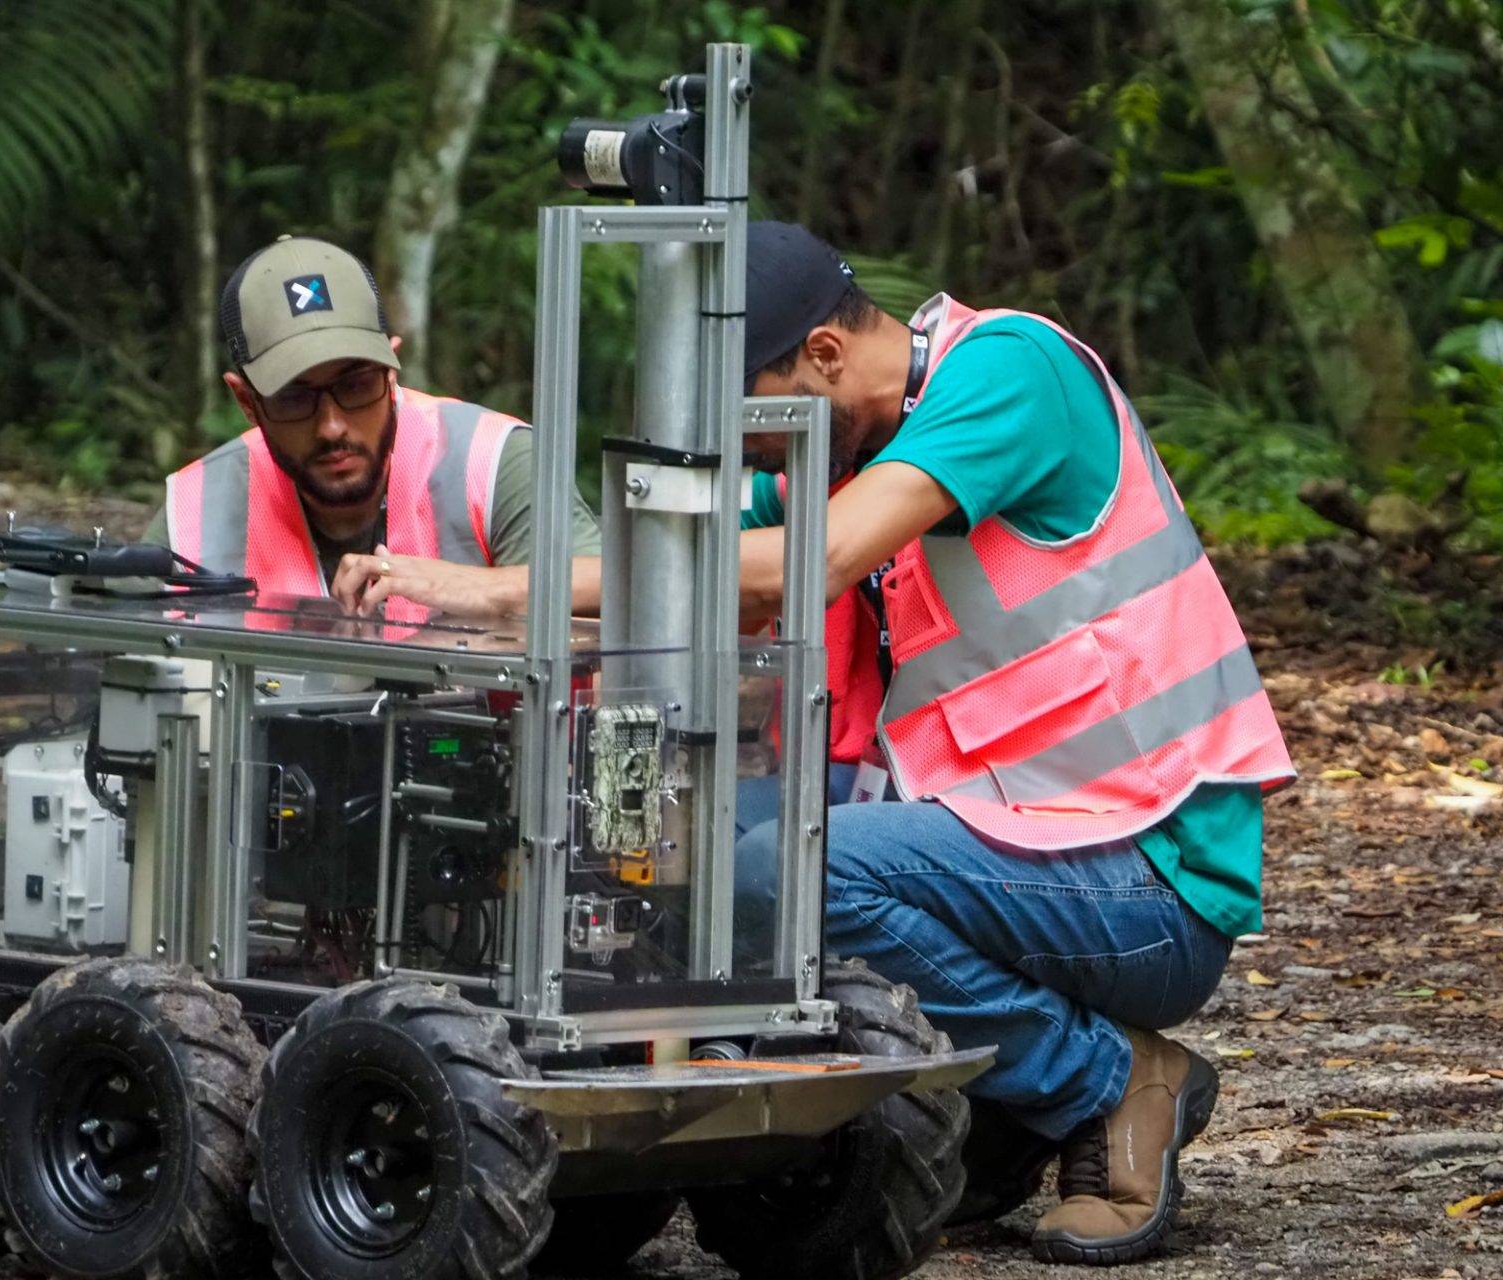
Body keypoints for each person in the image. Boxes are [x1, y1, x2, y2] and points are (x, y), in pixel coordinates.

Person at [334, 221, 1296, 1266]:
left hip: (1148, 875)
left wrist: (499, 590)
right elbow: (679, 563)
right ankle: (964, 1111)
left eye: (750, 419)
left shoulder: (1010, 372)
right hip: (1013, 835)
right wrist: (470, 595)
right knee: (654, 847)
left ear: (825, 356)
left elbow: (815, 559)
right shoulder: (844, 445)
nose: (749, 451)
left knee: (782, 872)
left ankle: (1110, 1081)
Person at [146, 235, 599, 596]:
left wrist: (477, 588)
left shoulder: (492, 461)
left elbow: (613, 585)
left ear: (391, 369)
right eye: (294, 398)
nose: (332, 426)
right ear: (247, 401)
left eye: (356, 385)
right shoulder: (196, 507)